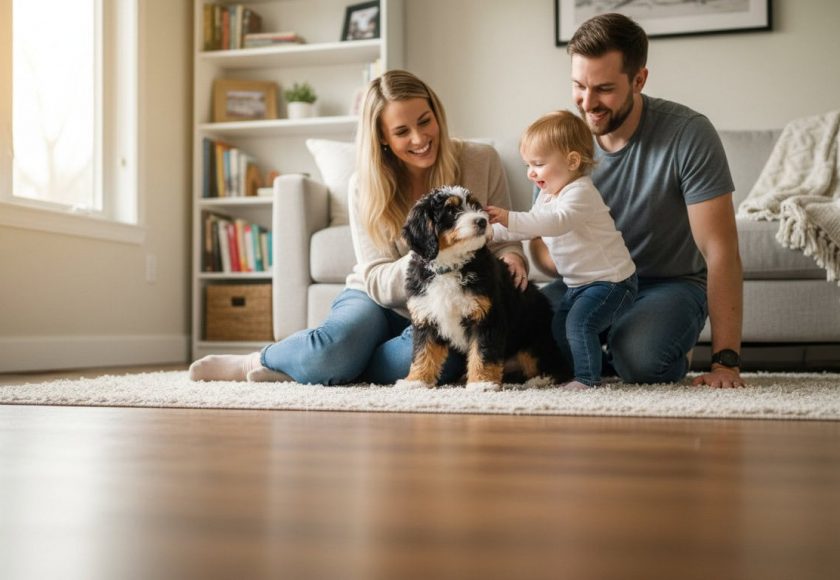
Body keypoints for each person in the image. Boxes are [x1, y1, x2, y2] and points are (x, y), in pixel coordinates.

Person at [189, 70, 527, 385]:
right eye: (401, 131)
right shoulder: (363, 186)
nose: (420, 138)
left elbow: (503, 239)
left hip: (453, 302)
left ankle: (318, 368)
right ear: (382, 136)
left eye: (426, 121)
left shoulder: (481, 160)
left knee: (445, 364)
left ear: (437, 114)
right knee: (334, 349)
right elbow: (377, 279)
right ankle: (259, 361)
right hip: (376, 298)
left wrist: (514, 257)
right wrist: (436, 253)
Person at [530, 13, 745, 388]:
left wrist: (726, 363)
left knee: (642, 362)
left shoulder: (688, 134)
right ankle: (602, 348)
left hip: (667, 284)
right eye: (579, 86)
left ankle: (643, 344)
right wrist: (573, 262)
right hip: (587, 281)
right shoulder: (563, 138)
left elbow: (719, 249)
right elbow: (538, 236)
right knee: (525, 337)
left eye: (604, 89)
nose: (588, 103)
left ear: (639, 80)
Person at [486, 110, 637, 388]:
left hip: (612, 282)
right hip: (579, 283)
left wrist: (507, 216)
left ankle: (587, 379)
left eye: (538, 164)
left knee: (579, 324)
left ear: (572, 161)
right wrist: (490, 232)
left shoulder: (580, 192)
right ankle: (594, 368)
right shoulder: (548, 194)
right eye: (527, 165)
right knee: (557, 327)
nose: (531, 172)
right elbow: (529, 227)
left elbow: (556, 222)